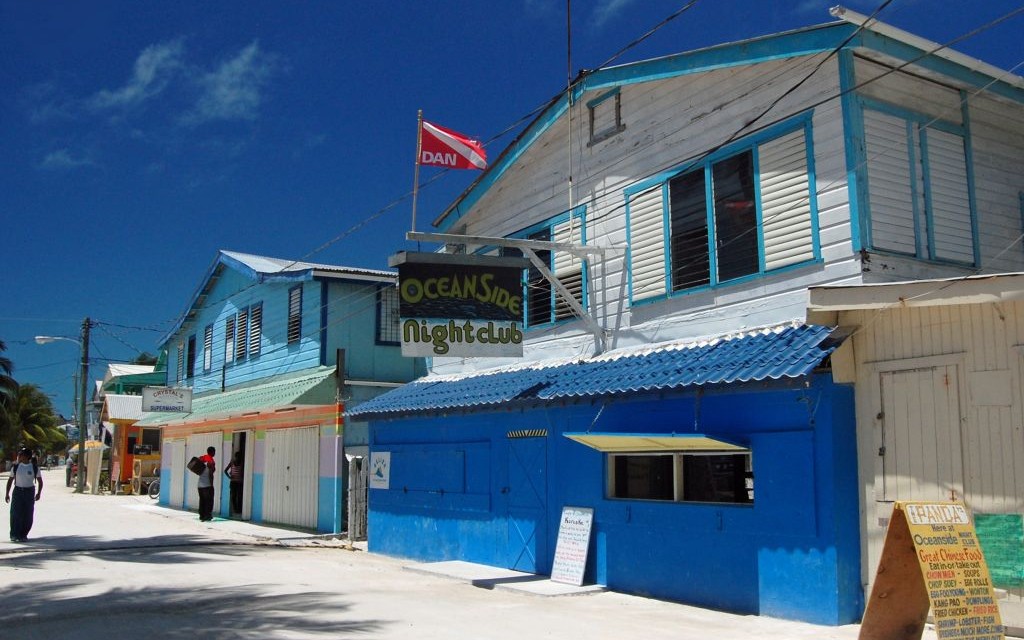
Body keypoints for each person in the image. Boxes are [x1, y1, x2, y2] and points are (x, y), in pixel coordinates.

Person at [5, 447, 43, 542]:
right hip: (18, 491)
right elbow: (10, 480)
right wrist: (7, 494)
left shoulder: (34, 467)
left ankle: (23, 534)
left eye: (20, 454)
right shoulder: (16, 467)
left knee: (28, 514)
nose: (19, 456)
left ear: (26, 456)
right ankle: (14, 534)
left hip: (29, 492)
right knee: (15, 513)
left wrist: (38, 493)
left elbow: (40, 481)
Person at [197, 446, 216, 522]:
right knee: (209, 501)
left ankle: (201, 515)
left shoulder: (202, 461)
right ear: (212, 452)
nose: (214, 453)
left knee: (202, 501)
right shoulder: (211, 462)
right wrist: (211, 485)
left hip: (200, 486)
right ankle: (207, 515)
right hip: (207, 486)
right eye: (214, 452)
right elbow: (210, 475)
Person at [224, 452, 243, 516]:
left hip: (239, 482)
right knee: (234, 496)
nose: (237, 458)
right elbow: (225, 470)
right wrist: (229, 477)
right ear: (235, 457)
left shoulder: (242, 463)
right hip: (233, 482)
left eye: (238, 457)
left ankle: (238, 509)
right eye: (237, 457)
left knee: (239, 496)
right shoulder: (232, 463)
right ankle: (235, 509)